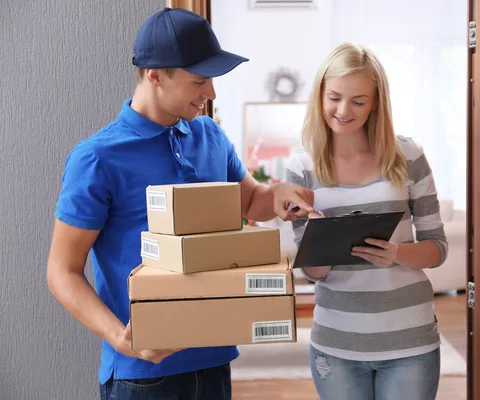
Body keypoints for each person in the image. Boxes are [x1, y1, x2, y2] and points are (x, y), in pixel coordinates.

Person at [46, 8, 314, 400]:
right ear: (155, 75)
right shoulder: (97, 158)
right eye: (199, 81)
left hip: (214, 360)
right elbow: (62, 272)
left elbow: (251, 202)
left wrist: (279, 196)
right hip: (143, 375)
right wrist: (121, 340)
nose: (211, 93)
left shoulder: (209, 135)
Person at [285, 42, 448, 400]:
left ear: (376, 103)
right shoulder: (301, 167)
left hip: (410, 341)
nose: (344, 111)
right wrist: (317, 235)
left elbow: (438, 249)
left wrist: (397, 254)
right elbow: (314, 272)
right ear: (320, 96)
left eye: (358, 101)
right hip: (337, 343)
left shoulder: (408, 156)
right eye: (335, 97)